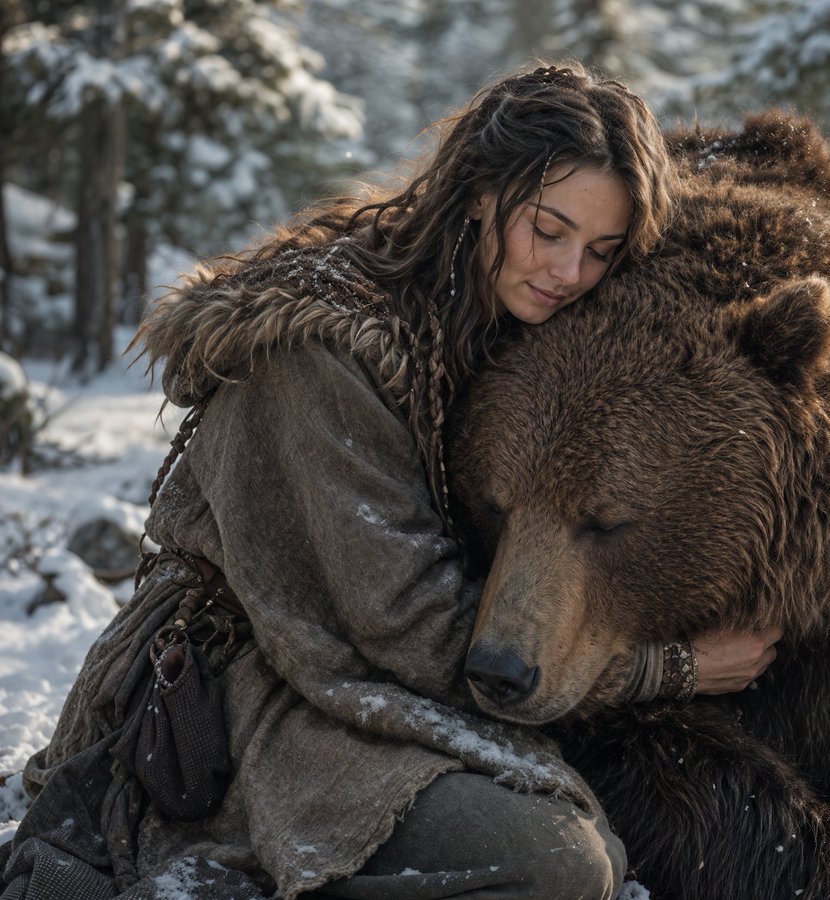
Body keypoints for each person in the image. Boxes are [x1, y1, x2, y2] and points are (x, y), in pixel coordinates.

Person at [0, 63, 780, 900]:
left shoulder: (495, 322)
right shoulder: (320, 349)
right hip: (240, 691)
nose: (568, 272)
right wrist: (673, 671)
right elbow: (404, 622)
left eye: (600, 250)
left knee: (599, 854)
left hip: (353, 671)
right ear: (481, 190)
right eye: (548, 230)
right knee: (555, 864)